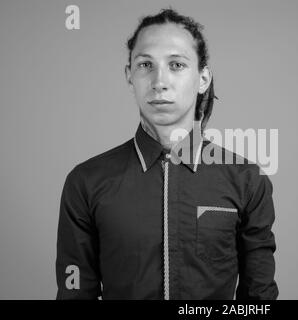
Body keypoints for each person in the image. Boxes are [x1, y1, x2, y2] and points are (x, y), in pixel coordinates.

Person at [56, 8, 278, 300]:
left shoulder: (247, 179)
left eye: (176, 64)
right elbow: (75, 294)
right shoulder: (85, 182)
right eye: (145, 64)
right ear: (129, 76)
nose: (159, 81)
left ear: (203, 78)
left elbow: (259, 299)